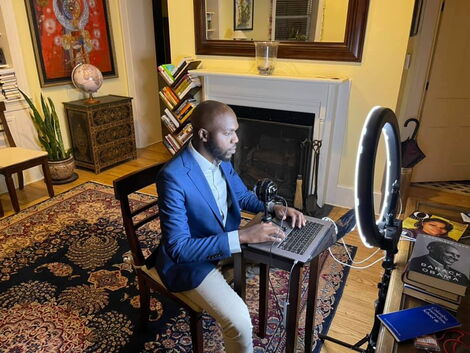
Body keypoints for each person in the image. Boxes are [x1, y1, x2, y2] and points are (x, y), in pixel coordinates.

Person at [146, 100, 306, 353]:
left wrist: (275, 207)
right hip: (192, 262)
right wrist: (242, 236)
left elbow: (242, 196)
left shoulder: (222, 159)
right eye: (228, 133)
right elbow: (178, 248)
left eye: (236, 131)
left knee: (278, 226)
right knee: (240, 321)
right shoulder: (173, 177)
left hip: (222, 239)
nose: (236, 140)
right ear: (204, 135)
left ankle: (244, 260)